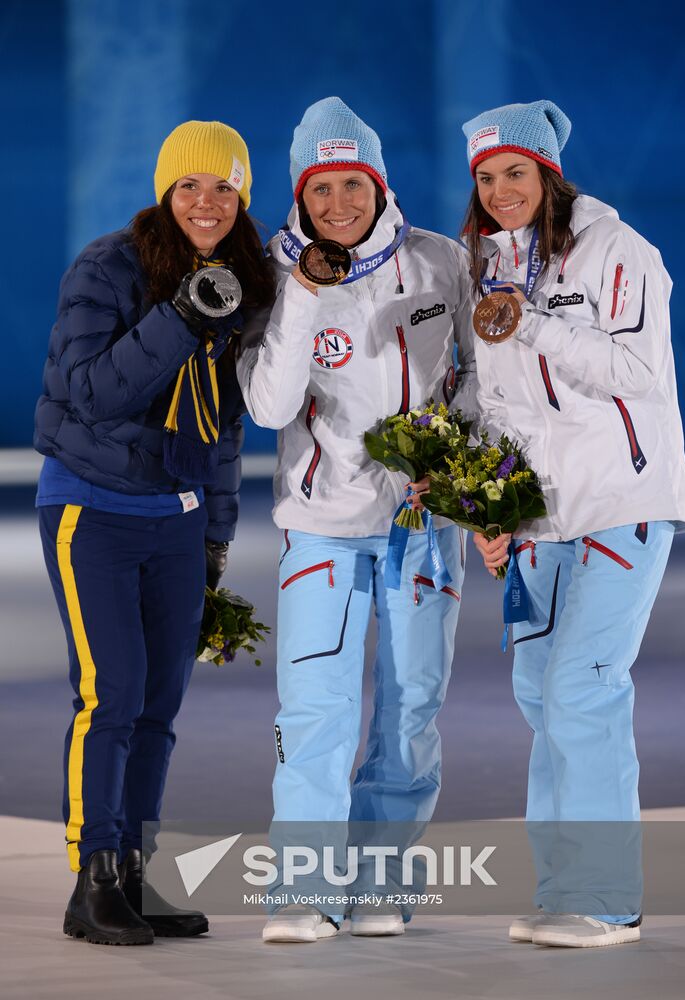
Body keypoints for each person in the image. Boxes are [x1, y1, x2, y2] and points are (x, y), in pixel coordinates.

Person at [237, 96, 476, 943]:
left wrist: (451, 469)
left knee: (410, 711)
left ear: (379, 184)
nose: (339, 205)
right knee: (314, 710)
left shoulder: (443, 262)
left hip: (422, 527)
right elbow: (267, 407)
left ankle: (382, 884)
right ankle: (304, 891)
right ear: (299, 197)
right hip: (322, 524)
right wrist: (304, 291)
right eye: (320, 190)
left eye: (354, 185)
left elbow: (479, 379)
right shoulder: (269, 274)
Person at [460, 100, 685, 948]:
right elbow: (494, 407)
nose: (499, 190)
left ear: (549, 175)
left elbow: (637, 369)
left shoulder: (617, 252)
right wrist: (492, 512)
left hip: (621, 503)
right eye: (486, 177)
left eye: (515, 172)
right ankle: (564, 892)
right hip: (540, 522)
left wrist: (539, 325)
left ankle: (608, 900)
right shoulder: (484, 267)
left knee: (582, 691)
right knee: (540, 697)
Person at [34, 120, 274, 945]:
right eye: (189, 187)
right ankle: (91, 878)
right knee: (112, 697)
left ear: (241, 197)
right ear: (165, 192)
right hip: (91, 510)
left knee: (161, 707)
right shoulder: (108, 266)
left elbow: (226, 427)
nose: (206, 203)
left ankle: (133, 871)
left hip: (175, 519)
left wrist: (215, 535)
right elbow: (92, 393)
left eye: (223, 188)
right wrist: (178, 318)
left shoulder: (247, 280)